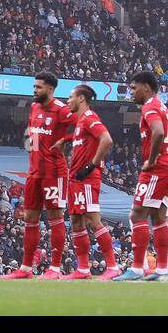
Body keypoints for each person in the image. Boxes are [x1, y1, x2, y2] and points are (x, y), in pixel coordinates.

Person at [2, 70, 74, 280]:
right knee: (30, 218)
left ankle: (55, 268)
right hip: (34, 173)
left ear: (50, 89)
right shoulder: (34, 107)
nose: (34, 90)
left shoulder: (61, 110)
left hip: (54, 173)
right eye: (34, 86)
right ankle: (25, 268)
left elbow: (82, 127)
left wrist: (66, 141)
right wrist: (30, 149)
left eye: (38, 87)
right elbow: (31, 133)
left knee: (55, 218)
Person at [118, 70, 168, 282]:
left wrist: (153, 159)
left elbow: (159, 133)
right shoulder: (163, 107)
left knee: (137, 214)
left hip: (158, 167)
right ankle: (163, 270)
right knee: (158, 217)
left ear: (146, 87)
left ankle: (137, 269)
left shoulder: (150, 107)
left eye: (134, 88)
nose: (132, 92)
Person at [64, 84, 120, 280]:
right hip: (75, 180)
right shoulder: (80, 122)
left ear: (81, 99)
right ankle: (83, 269)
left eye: (70, 97)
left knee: (93, 219)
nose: (67, 100)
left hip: (87, 178)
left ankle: (112, 266)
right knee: (76, 222)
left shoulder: (89, 117)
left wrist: (91, 166)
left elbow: (106, 139)